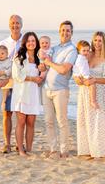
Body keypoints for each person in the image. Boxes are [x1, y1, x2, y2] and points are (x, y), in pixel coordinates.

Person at [74, 32, 105, 159]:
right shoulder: (86, 55)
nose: (97, 43)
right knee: (84, 121)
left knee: (98, 121)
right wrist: (77, 80)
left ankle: (100, 151)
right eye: (95, 40)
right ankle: (87, 150)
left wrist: (95, 80)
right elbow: (76, 71)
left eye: (100, 41)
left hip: (98, 93)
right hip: (84, 92)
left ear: (104, 43)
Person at [41, 20, 78, 158]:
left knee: (62, 121)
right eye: (63, 30)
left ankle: (64, 151)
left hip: (61, 90)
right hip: (46, 89)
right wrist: (43, 66)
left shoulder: (72, 50)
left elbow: (64, 69)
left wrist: (49, 62)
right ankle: (53, 149)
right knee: (48, 121)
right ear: (59, 31)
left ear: (71, 33)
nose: (65, 32)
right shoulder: (54, 48)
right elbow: (45, 65)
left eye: (68, 30)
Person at [11, 32, 43, 156]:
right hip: (21, 94)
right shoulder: (18, 58)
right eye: (29, 41)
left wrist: (40, 78)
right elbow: (17, 76)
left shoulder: (39, 59)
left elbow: (42, 77)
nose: (31, 43)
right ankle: (20, 149)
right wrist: (33, 79)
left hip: (34, 94)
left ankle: (29, 149)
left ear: (36, 43)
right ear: (25, 43)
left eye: (33, 41)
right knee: (21, 122)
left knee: (31, 123)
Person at [0, 15, 23, 153]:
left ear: (21, 25)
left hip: (22, 83)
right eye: (13, 23)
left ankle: (20, 143)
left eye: (18, 23)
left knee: (21, 114)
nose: (15, 25)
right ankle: (7, 144)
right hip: (8, 83)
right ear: (9, 25)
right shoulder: (4, 42)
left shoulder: (25, 41)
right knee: (7, 113)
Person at [73, 40, 99, 109]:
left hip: (80, 75)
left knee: (91, 86)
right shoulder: (80, 59)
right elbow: (82, 69)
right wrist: (87, 77)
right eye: (84, 50)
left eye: (87, 50)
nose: (86, 52)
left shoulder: (82, 57)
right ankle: (93, 101)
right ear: (79, 50)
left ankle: (92, 100)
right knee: (92, 85)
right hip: (82, 76)